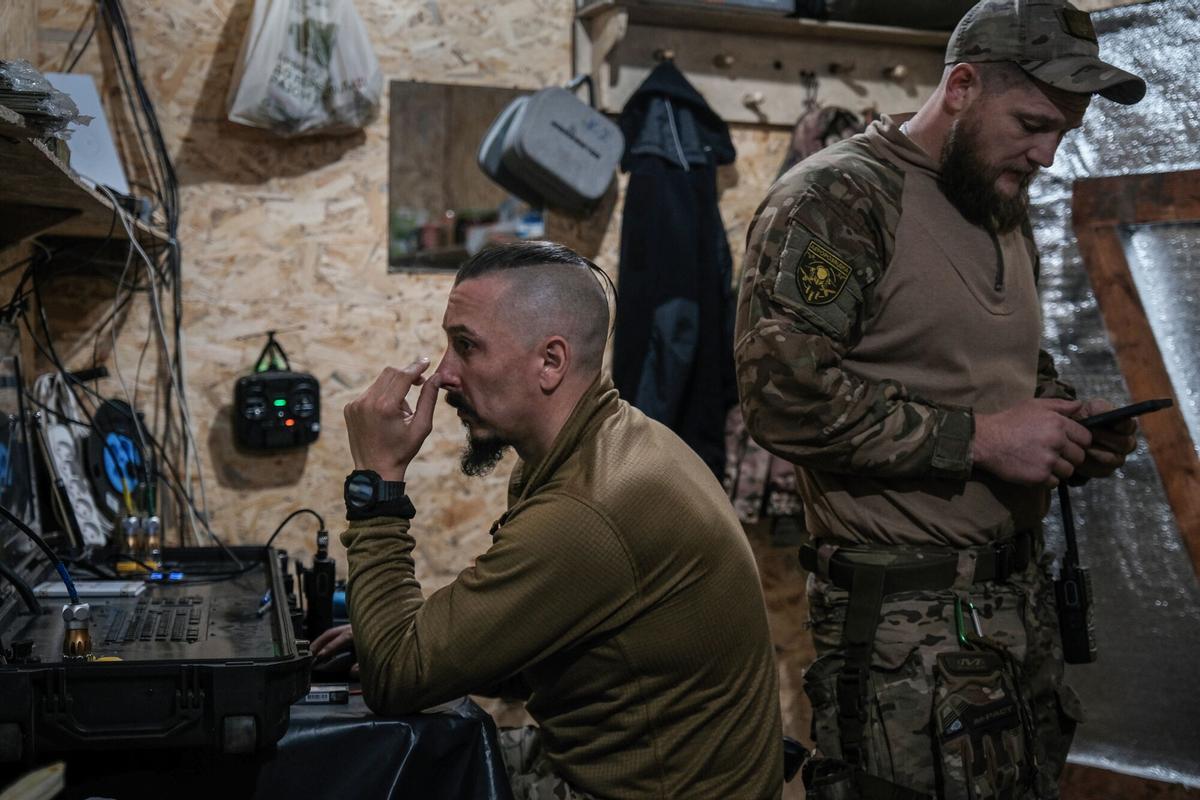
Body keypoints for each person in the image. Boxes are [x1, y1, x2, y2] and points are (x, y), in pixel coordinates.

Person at [734, 1, 1144, 798]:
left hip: (1013, 611)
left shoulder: (995, 199)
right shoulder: (838, 200)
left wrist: (1065, 424)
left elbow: (1001, 365)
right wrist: (984, 439)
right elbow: (782, 399)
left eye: (1063, 132)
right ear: (960, 86)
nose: (1048, 154)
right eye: (1032, 123)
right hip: (902, 634)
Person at [316, 241, 784, 799]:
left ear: (551, 361)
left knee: (360, 772)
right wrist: (417, 643)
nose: (443, 375)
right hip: (612, 767)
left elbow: (397, 677)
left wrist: (377, 481)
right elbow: (544, 640)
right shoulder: (603, 444)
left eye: (466, 346)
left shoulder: (591, 505)